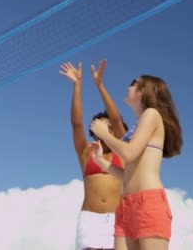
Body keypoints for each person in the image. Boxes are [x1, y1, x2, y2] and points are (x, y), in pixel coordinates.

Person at [89, 75, 182, 250]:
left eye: (133, 83)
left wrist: (104, 134)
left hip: (148, 202)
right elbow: (128, 174)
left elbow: (129, 153)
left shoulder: (152, 114)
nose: (128, 86)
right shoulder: (137, 125)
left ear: (144, 91)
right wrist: (101, 160)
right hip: (126, 205)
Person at [59, 60, 129, 250]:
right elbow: (76, 124)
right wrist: (77, 86)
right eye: (101, 125)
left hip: (118, 220)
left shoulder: (123, 151)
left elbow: (116, 119)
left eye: (109, 126)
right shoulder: (86, 152)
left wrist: (100, 85)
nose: (107, 127)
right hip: (89, 220)